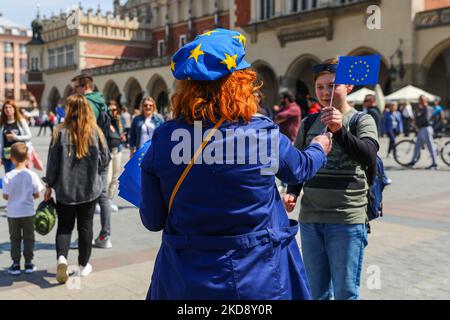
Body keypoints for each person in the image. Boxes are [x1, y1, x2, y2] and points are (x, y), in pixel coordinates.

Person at [139, 28, 331, 300]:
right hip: (259, 278)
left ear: (186, 87)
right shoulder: (260, 133)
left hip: (185, 282)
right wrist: (319, 148)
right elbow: (299, 168)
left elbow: (152, 219)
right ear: (240, 83)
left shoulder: (164, 138)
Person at [283, 58, 379, 300]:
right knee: (316, 293)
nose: (325, 92)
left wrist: (340, 131)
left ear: (349, 87)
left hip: (346, 217)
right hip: (311, 217)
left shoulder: (361, 120)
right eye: (320, 87)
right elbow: (299, 163)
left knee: (346, 292)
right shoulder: (309, 123)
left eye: (332, 85)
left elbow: (368, 155)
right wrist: (292, 191)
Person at [44, 94, 109, 284]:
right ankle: (82, 266)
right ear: (88, 110)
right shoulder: (95, 132)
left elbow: (52, 164)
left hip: (65, 190)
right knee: (85, 227)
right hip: (89, 189)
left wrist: (49, 185)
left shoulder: (60, 132)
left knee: (64, 226)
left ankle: (62, 259)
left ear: (69, 110)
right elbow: (105, 160)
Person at [72, 73, 113, 249]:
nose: (75, 90)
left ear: (84, 86)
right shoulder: (101, 101)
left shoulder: (87, 103)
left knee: (87, 196)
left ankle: (86, 236)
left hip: (91, 154)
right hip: (104, 151)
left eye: (76, 87)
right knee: (102, 196)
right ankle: (105, 236)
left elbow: (84, 130)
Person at [3, 142, 43, 275]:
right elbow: (37, 194)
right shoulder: (32, 175)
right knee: (29, 238)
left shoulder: (8, 176)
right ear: (27, 157)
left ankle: (15, 264)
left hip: (13, 213)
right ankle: (28, 263)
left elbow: (5, 196)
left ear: (12, 158)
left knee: (15, 239)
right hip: (28, 212)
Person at [0, 100, 33, 174]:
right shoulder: (2, 123)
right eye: (6, 108)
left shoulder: (21, 121)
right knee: (9, 176)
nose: (8, 109)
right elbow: (1, 142)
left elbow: (29, 136)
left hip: (19, 154)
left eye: (10, 107)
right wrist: (1, 156)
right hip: (7, 155)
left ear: (14, 109)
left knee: (18, 176)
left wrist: (15, 137)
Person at [407, 95, 438, 170]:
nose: (420, 101)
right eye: (419, 100)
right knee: (417, 146)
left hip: (426, 128)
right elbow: (418, 117)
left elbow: (426, 119)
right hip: (421, 129)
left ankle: (434, 163)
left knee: (430, 146)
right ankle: (413, 161)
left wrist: (417, 119)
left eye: (421, 100)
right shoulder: (421, 108)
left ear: (425, 100)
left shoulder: (428, 108)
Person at [106, 100, 123, 212]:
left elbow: (120, 134)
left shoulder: (118, 121)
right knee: (107, 177)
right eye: (110, 109)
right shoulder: (104, 121)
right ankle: (102, 200)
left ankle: (109, 200)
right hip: (107, 151)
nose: (113, 111)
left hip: (118, 150)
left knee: (115, 178)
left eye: (115, 109)